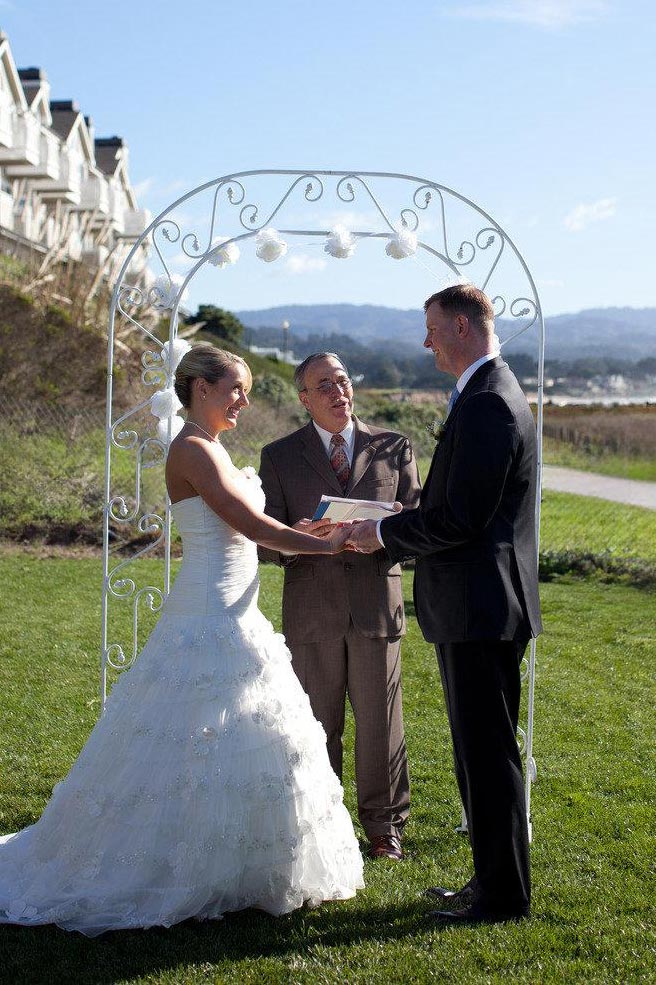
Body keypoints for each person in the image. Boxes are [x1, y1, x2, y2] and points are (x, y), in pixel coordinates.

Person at [0, 343, 364, 936]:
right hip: (208, 614)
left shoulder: (212, 447)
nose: (243, 401)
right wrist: (325, 545)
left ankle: (243, 867)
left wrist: (301, 529)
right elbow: (248, 524)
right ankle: (176, 867)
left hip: (238, 611)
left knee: (249, 735)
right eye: (236, 389)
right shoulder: (191, 449)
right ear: (201, 388)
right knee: (196, 733)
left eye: (246, 391)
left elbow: (248, 530)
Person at [347, 285, 543, 923]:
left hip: (480, 605)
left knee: (487, 755)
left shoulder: (487, 402)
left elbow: (463, 518)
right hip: (478, 603)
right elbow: (459, 506)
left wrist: (382, 532)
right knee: (479, 753)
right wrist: (399, 518)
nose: (425, 341)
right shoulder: (486, 392)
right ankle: (491, 883)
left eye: (431, 328)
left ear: (461, 327)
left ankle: (502, 896)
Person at [258, 352, 421, 861]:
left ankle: (384, 828)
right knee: (316, 724)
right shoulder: (279, 456)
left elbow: (419, 525)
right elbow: (264, 540)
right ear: (304, 399)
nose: (338, 391)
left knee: (381, 725)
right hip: (312, 611)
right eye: (324, 384)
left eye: (343, 380)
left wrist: (386, 534)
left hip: (376, 607)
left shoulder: (393, 447)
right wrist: (298, 536)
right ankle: (320, 825)